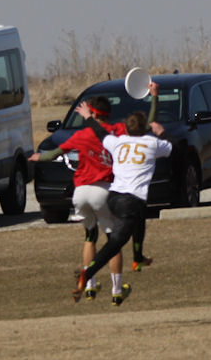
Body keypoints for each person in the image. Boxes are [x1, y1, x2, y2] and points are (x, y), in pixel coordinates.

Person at [72, 98, 172, 306]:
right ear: (145, 129)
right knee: (115, 243)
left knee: (139, 217)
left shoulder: (118, 141)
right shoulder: (152, 143)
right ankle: (87, 274)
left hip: (115, 197)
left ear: (126, 128)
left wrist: (88, 116)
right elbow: (173, 148)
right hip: (131, 200)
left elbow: (99, 132)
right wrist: (161, 132)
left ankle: (138, 257)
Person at [31, 96, 124, 300]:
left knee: (90, 237)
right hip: (103, 189)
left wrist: (38, 157)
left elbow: (53, 154)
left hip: (80, 192)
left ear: (92, 114)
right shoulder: (116, 130)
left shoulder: (81, 135)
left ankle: (90, 284)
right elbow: (141, 128)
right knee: (113, 242)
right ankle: (117, 290)